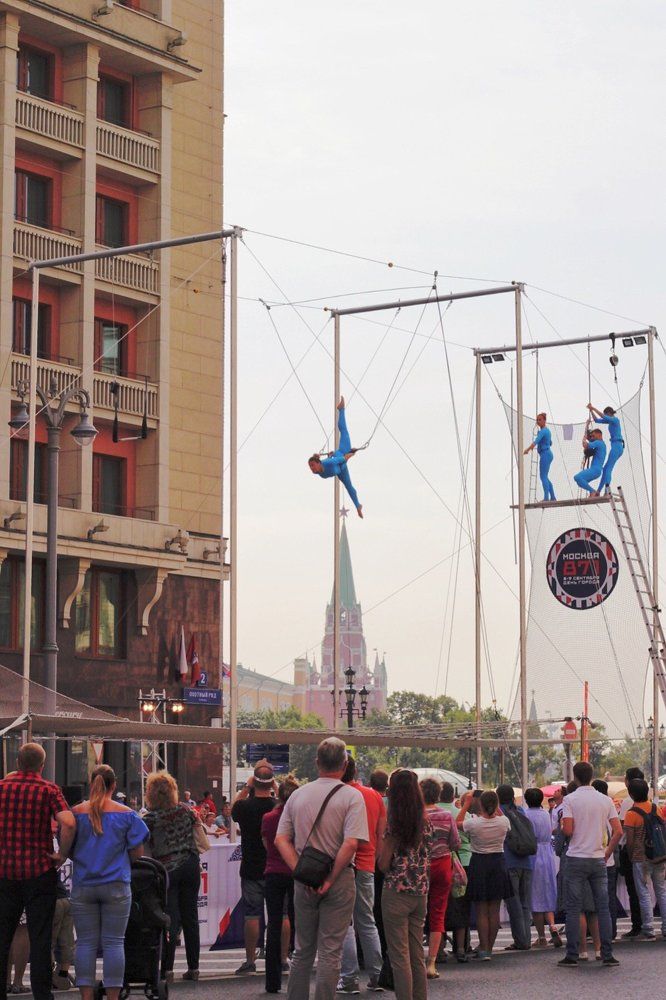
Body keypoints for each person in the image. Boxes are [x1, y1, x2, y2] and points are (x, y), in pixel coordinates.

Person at [275, 737, 368, 1000]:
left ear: (317, 762)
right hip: (339, 880)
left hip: (304, 881)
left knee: (302, 949)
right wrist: (329, 879)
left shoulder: (297, 795)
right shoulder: (352, 797)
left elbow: (281, 839)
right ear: (345, 765)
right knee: (330, 952)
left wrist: (301, 872)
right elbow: (351, 843)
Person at [0, 743, 75, 1000]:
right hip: (39, 873)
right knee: (41, 937)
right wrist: (62, 854)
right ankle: (42, 994)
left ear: (17, 763)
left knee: (2, 936)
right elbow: (68, 823)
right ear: (41, 766)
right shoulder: (48, 789)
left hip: (4, 872)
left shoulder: (1, 788)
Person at [70, 765, 148, 1000]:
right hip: (116, 884)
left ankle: (86, 996)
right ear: (114, 785)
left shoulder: (76, 813)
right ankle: (113, 996)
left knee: (85, 943)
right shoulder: (127, 814)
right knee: (114, 943)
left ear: (91, 782)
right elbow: (137, 853)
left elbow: (67, 845)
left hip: (84, 884)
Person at [558, 761, 621, 968]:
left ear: (575, 776)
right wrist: (607, 852)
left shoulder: (570, 799)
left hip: (576, 857)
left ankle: (572, 954)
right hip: (598, 858)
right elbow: (618, 831)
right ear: (592, 776)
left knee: (574, 908)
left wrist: (563, 826)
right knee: (603, 907)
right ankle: (607, 953)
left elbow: (568, 830)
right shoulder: (605, 800)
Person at [143, 771, 203, 982]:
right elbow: (199, 831)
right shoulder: (186, 811)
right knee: (191, 916)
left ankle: (167, 969)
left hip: (167, 869)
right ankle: (194, 967)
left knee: (170, 917)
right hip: (191, 864)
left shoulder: (150, 819)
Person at [378, 769, 431, 1000]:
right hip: (420, 892)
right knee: (417, 953)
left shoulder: (395, 824)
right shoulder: (426, 822)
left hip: (396, 891)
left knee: (400, 956)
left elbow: (383, 863)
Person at [337, 756, 386, 994]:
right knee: (367, 920)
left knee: (345, 923)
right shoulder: (374, 795)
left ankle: (349, 978)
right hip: (367, 864)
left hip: (342, 865)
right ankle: (377, 975)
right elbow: (380, 833)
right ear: (356, 771)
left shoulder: (337, 795)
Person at [231, 760, 278, 975]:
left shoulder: (244, 807)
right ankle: (282, 958)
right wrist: (276, 787)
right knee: (281, 914)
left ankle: (250, 961)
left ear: (253, 782)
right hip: (275, 866)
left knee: (251, 915)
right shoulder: (277, 807)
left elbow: (233, 808)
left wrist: (245, 788)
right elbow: (288, 801)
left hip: (251, 867)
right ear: (271, 783)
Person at [458, 789, 512, 961]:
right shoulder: (503, 822)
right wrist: (495, 805)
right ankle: (490, 947)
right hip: (498, 863)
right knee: (494, 910)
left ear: (480, 804)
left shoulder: (474, 823)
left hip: (479, 863)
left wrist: (466, 804)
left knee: (481, 910)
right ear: (496, 805)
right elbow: (500, 815)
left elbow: (457, 823)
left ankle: (483, 948)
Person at [419, 778, 459, 979]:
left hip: (420, 866)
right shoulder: (446, 815)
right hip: (442, 865)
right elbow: (455, 843)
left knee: (417, 912)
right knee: (438, 913)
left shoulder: (417, 816)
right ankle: (432, 962)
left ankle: (416, 959)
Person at [262, 775, 299, 995]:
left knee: (274, 925)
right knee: (298, 923)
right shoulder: (300, 817)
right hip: (296, 872)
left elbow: (267, 845)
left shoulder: (268, 818)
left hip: (273, 872)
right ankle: (298, 975)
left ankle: (272, 981)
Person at [623, 777, 666, 939]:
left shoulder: (631, 814)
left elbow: (630, 840)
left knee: (644, 893)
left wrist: (631, 855)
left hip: (641, 858)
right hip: (659, 856)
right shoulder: (656, 809)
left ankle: (648, 928)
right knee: (661, 891)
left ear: (631, 794)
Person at [308, 397, 364, 518]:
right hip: (341, 469)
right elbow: (332, 461)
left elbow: (342, 459)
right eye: (310, 467)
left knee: (344, 431)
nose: (311, 469)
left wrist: (350, 453)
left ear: (318, 463)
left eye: (312, 465)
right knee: (349, 487)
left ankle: (341, 409)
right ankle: (358, 506)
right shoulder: (322, 471)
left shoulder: (328, 463)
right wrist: (333, 455)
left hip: (342, 454)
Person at [497, 784, 534, 951]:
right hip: (526, 861)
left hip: (509, 861)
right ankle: (527, 938)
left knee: (514, 903)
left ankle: (520, 940)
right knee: (525, 902)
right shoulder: (520, 811)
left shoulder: (499, 812)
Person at [523, 788, 561, 947]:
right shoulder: (546, 813)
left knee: (536, 897)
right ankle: (552, 925)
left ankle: (541, 936)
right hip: (547, 853)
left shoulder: (526, 815)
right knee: (547, 892)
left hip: (533, 854)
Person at [446, 788, 476, 963]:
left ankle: (438, 948)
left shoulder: (428, 812)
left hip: (440, 862)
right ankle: (461, 947)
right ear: (452, 796)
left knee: (439, 905)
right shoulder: (464, 815)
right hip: (464, 861)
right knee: (462, 905)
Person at [617, 766, 645, 938]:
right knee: (646, 890)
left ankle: (637, 925)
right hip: (647, 850)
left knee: (633, 889)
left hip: (631, 850)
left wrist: (627, 852)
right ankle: (647, 924)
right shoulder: (651, 802)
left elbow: (622, 828)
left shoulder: (629, 802)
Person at [587, 403, 624, 492]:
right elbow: (596, 420)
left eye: (606, 414)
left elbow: (603, 416)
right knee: (606, 469)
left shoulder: (615, 420)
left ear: (609, 413)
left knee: (608, 469)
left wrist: (593, 408)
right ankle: (599, 490)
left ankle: (606, 491)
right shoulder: (610, 422)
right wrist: (591, 411)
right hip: (616, 446)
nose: (606, 416)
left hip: (617, 446)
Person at [523, 412, 556, 501]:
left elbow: (535, 442)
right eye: (537, 420)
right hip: (547, 454)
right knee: (545, 477)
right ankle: (553, 497)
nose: (538, 421)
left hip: (545, 454)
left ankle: (546, 498)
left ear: (544, 420)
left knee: (543, 477)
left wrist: (527, 450)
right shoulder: (546, 431)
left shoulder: (543, 431)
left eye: (540, 420)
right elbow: (550, 442)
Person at [573, 428, 606, 496]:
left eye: (594, 436)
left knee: (577, 477)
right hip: (597, 470)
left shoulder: (598, 442)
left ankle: (593, 491)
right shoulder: (602, 445)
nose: (592, 438)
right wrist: (587, 427)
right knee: (580, 482)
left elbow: (585, 445)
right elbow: (590, 441)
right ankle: (592, 492)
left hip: (595, 470)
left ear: (599, 435)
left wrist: (584, 438)